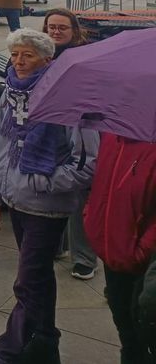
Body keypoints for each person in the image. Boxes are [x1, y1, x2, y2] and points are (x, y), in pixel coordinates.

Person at [0, 28, 98, 364]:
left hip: (46, 205)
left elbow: (87, 161)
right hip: (16, 199)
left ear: (47, 60)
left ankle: (9, 349)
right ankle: (45, 341)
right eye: (16, 54)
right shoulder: (11, 93)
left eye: (28, 55)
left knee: (28, 279)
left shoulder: (70, 98)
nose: (19, 61)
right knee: (39, 278)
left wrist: (43, 182)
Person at [83, 130, 156, 363]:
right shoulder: (112, 135)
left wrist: (142, 249)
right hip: (113, 249)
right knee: (125, 326)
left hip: (141, 258)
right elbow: (101, 182)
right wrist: (91, 217)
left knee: (143, 325)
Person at [43, 8, 98, 282]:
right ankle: (57, 246)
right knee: (53, 190)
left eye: (62, 27)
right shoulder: (41, 54)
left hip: (80, 126)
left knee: (78, 193)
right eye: (51, 26)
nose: (55, 31)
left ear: (74, 30)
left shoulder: (84, 57)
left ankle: (85, 258)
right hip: (50, 129)